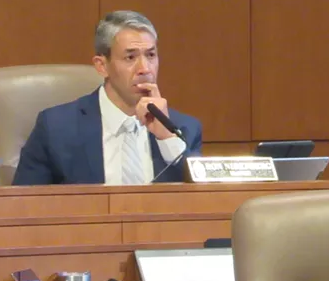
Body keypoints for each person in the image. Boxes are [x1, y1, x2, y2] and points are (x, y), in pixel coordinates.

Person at [13, 10, 202, 185]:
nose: (145, 69)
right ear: (102, 66)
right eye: (130, 58)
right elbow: (22, 206)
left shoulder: (184, 129)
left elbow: (202, 203)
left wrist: (167, 138)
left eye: (151, 55)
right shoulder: (56, 128)